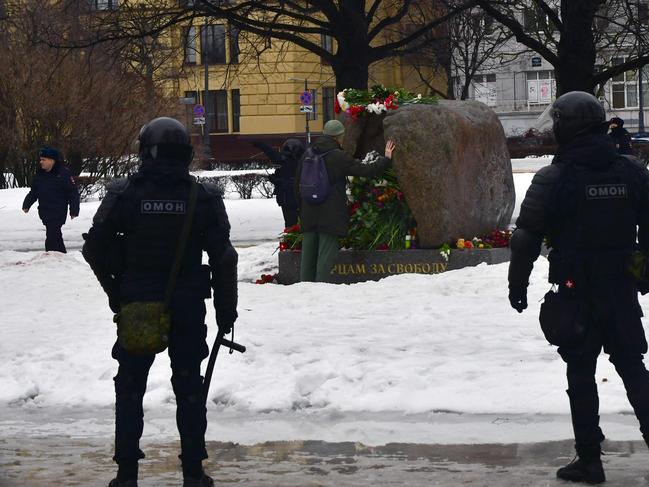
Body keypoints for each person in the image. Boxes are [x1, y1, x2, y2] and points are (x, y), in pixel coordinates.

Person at [82, 117, 238, 487]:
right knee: (189, 386)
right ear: (185, 153)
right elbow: (224, 258)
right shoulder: (203, 197)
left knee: (131, 386)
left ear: (144, 150)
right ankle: (193, 471)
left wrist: (116, 293)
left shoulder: (124, 194)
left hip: (136, 304)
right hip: (187, 306)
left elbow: (94, 249)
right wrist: (225, 311)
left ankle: (126, 473)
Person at [508, 91, 649, 484]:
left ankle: (590, 459)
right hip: (620, 287)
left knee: (581, 373)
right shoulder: (632, 170)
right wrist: (645, 272)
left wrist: (517, 286)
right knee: (633, 368)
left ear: (566, 127)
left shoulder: (553, 177)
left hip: (576, 290)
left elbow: (524, 240)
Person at [296, 119, 395, 282]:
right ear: (338, 137)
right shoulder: (338, 156)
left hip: (309, 212)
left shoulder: (307, 153)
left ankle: (304, 292)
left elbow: (297, 184)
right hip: (329, 213)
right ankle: (319, 293)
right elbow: (365, 170)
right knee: (325, 258)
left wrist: (301, 209)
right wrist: (386, 158)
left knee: (308, 258)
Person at [22, 146, 80, 253]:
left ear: (52, 160)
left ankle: (50, 256)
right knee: (55, 235)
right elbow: (34, 192)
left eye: (43, 159)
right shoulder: (40, 175)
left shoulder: (63, 173)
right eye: (40, 159)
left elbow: (72, 193)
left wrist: (74, 210)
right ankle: (60, 256)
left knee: (52, 235)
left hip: (58, 211)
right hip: (44, 211)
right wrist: (27, 204)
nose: (41, 162)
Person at [252, 138, 304, 227]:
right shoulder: (304, 160)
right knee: (297, 225)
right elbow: (272, 154)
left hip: (289, 199)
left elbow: (272, 154)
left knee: (292, 225)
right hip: (294, 199)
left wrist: (278, 181)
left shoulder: (288, 161)